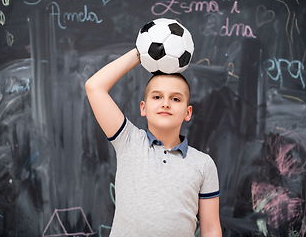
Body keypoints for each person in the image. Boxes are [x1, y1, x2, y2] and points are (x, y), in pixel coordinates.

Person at [85, 48, 221, 237]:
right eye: (157, 97)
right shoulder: (129, 141)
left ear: (188, 112)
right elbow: (94, 87)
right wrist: (140, 53)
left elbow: (211, 229)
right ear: (144, 108)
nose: (165, 103)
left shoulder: (204, 164)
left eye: (175, 98)